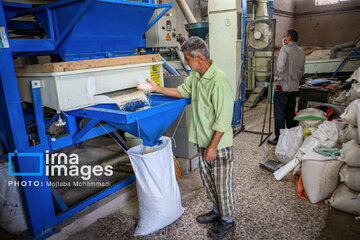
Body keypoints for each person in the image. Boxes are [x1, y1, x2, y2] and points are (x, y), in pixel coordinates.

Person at [138, 36, 236, 240]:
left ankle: (228, 221)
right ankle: (217, 211)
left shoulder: (220, 81)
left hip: (217, 145)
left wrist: (212, 147)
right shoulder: (196, 77)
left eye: (187, 59)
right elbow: (181, 91)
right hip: (203, 141)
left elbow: (223, 120)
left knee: (222, 184)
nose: (186, 63)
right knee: (209, 181)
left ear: (198, 58)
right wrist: (156, 89)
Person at [268, 29, 305, 145]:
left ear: (288, 37)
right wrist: (295, 80)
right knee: (290, 112)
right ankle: (292, 135)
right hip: (294, 87)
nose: (284, 38)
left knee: (280, 113)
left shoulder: (285, 49)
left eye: (284, 36)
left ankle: (279, 137)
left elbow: (280, 67)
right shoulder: (300, 51)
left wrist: (277, 82)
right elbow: (302, 70)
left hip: (282, 87)